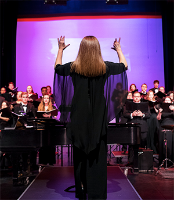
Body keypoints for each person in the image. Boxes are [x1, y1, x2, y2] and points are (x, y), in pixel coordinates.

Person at [54, 36, 128, 200]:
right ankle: (97, 193)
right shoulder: (104, 67)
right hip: (97, 114)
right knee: (98, 152)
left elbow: (57, 68)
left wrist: (60, 49)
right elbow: (124, 66)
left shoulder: (74, 67)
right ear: (97, 49)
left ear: (81, 49)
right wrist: (119, 50)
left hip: (79, 113)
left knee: (80, 152)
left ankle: (82, 191)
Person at [123, 91, 151, 165]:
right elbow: (125, 114)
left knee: (142, 144)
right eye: (135, 96)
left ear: (140, 97)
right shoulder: (128, 104)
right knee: (131, 145)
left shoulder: (145, 105)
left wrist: (143, 115)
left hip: (142, 127)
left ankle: (141, 162)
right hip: (132, 126)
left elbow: (149, 115)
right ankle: (131, 161)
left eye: (138, 96)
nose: (136, 98)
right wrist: (132, 114)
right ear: (132, 97)